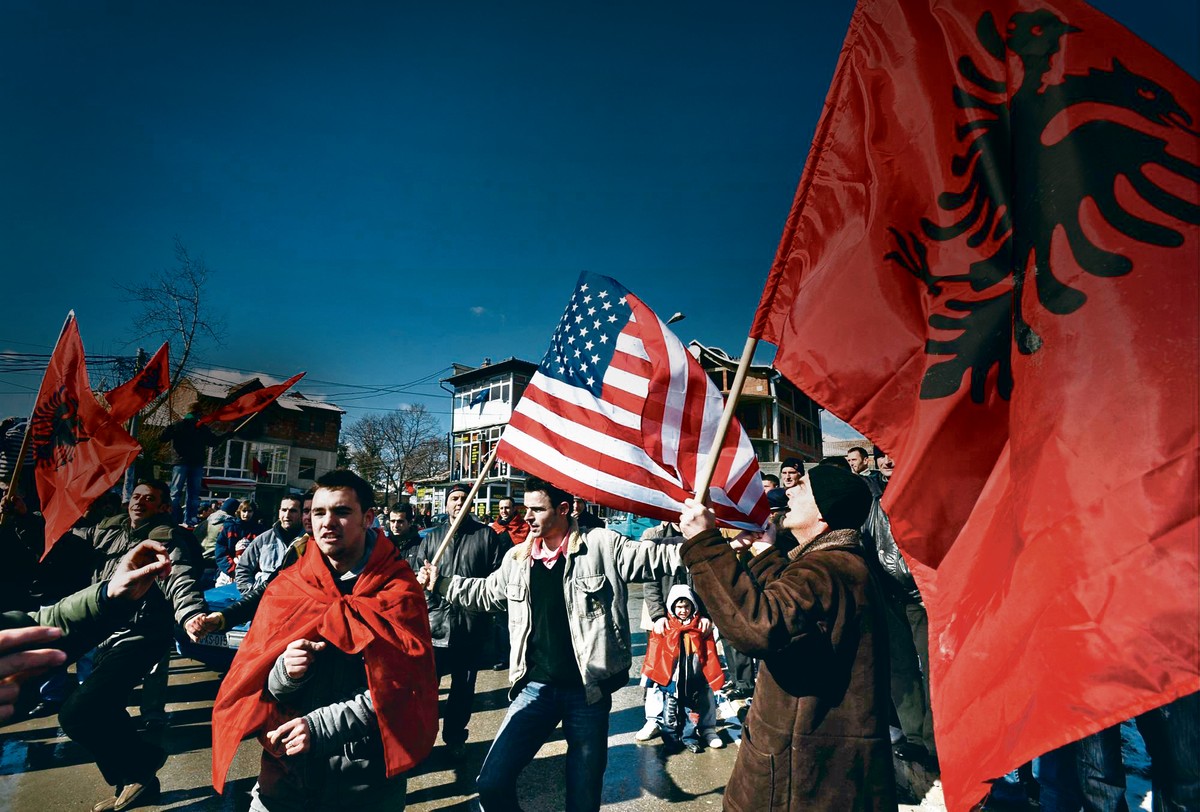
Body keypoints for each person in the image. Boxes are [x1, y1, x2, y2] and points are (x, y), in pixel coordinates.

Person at [418, 476, 683, 812]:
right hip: (534, 690)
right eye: (525, 508)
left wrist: (706, 545)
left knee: (583, 797)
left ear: (563, 509)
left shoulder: (600, 544)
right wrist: (440, 582)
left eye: (536, 509)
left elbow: (653, 557)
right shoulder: (517, 558)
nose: (526, 516)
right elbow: (485, 593)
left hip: (587, 693)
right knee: (491, 782)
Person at [210, 470, 438, 812]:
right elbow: (263, 680)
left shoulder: (398, 590)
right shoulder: (289, 585)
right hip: (285, 776)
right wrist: (286, 672)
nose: (327, 522)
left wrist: (319, 727)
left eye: (342, 512)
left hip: (363, 783)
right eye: (318, 512)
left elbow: (400, 688)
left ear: (368, 518)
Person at [679, 464, 896, 811]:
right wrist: (765, 551)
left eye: (804, 488)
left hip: (798, 780)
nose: (788, 491)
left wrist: (704, 545)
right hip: (831, 771)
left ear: (824, 516)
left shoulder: (824, 569)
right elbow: (796, 614)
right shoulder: (842, 562)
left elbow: (760, 626)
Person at [57, 478, 208, 812]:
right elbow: (60, 542)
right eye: (136, 496)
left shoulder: (167, 538)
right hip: (104, 637)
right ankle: (137, 783)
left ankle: (143, 763)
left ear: (163, 506)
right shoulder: (107, 531)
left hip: (141, 637)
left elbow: (180, 579)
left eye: (149, 498)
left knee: (77, 713)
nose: (139, 502)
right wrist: (23, 518)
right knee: (106, 710)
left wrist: (191, 614)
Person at [1, 540, 174, 724]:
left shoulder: (165, 539)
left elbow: (42, 624)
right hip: (63, 599)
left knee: (82, 706)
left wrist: (107, 596)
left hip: (133, 619)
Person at [414, 483, 507, 757]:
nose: (459, 503)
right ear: (446, 505)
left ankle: (455, 738)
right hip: (435, 627)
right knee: (428, 691)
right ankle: (421, 742)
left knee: (463, 691)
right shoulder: (431, 539)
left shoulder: (486, 536)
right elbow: (416, 579)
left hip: (470, 627)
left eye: (464, 499)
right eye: (454, 498)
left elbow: (495, 582)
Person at [859, 449, 937, 767]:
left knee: (934, 672)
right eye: (881, 456)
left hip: (925, 596)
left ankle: (934, 745)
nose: (888, 460)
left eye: (893, 453)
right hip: (889, 596)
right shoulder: (869, 495)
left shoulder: (926, 487)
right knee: (900, 671)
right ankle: (916, 739)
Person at [640, 584, 725, 753]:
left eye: (686, 606)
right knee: (669, 713)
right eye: (679, 607)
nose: (683, 610)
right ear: (672, 607)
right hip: (671, 681)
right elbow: (654, 653)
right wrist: (650, 677)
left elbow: (709, 654)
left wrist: (712, 676)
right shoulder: (665, 628)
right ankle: (670, 740)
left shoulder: (699, 628)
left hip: (692, 680)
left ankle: (691, 738)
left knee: (691, 713)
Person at [158, 412, 221, 526]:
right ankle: (188, 518)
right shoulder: (198, 427)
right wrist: (226, 435)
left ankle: (174, 517)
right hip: (192, 463)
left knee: (176, 492)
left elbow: (162, 438)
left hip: (183, 462)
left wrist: (169, 429)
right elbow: (213, 441)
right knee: (191, 494)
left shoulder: (181, 426)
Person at [235, 496, 305, 595]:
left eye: (293, 511)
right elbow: (243, 568)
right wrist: (250, 594)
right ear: (279, 512)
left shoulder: (309, 541)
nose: (287, 515)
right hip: (263, 601)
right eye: (284, 510)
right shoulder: (263, 539)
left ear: (302, 514)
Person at [214, 500, 260, 587]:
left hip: (251, 573)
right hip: (228, 572)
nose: (246, 514)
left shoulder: (260, 530)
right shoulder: (229, 527)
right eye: (244, 511)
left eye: (249, 511)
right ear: (239, 511)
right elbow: (221, 552)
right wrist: (232, 571)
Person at [386, 503, 424, 572]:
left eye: (400, 521)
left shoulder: (421, 545)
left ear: (410, 522)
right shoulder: (383, 545)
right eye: (392, 521)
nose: (395, 525)